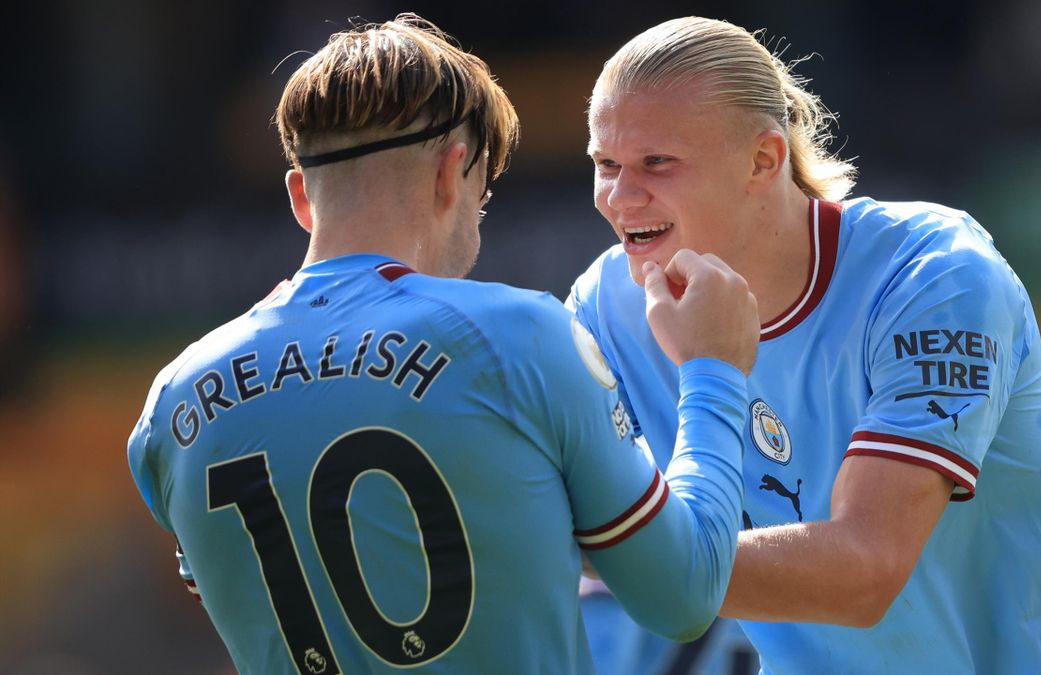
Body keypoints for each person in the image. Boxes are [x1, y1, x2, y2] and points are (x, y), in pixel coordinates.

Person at [127, 14, 762, 674]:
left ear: (301, 198)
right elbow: (685, 593)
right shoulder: (519, 336)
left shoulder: (171, 408)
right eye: (481, 192)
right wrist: (712, 368)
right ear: (450, 172)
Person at [570, 16, 1041, 674]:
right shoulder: (606, 305)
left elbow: (864, 570)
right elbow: (547, 519)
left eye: (657, 162)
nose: (620, 197)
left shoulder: (936, 274)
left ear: (763, 160)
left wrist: (653, 556)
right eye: (606, 164)